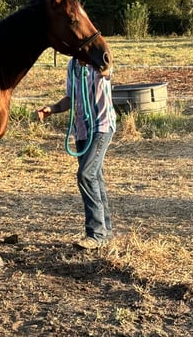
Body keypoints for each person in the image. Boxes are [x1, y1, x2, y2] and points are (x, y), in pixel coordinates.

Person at [36, 57, 116, 249]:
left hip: (101, 126)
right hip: (82, 130)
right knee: (95, 176)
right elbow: (70, 98)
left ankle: (95, 234)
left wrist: (103, 66)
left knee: (86, 175)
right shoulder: (72, 65)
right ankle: (106, 232)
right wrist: (52, 109)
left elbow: (107, 70)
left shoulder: (98, 59)